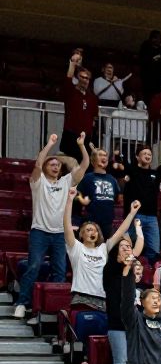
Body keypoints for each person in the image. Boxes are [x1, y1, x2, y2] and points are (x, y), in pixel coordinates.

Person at [14, 132, 90, 319]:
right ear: (46, 167)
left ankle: (54, 309)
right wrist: (49, 145)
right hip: (39, 231)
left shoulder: (66, 181)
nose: (56, 166)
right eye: (52, 164)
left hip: (59, 234)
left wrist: (81, 146)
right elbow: (38, 164)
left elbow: (85, 165)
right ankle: (22, 303)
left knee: (60, 272)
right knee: (33, 266)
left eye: (58, 165)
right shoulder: (38, 182)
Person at [64, 188, 142, 312]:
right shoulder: (76, 248)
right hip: (81, 299)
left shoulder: (103, 249)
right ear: (81, 235)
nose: (92, 232)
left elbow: (120, 231)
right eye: (88, 230)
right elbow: (67, 226)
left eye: (94, 230)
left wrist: (132, 213)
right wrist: (69, 200)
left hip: (103, 300)